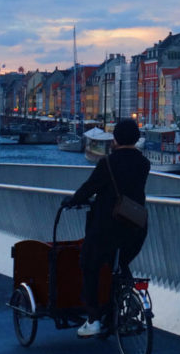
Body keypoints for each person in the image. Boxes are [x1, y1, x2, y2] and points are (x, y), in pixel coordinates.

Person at [62, 118, 151, 338]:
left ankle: (93, 318)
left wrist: (73, 200)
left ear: (116, 139)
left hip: (108, 228)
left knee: (89, 262)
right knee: (120, 263)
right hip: (136, 226)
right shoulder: (144, 163)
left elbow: (89, 188)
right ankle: (123, 305)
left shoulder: (108, 163)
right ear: (137, 138)